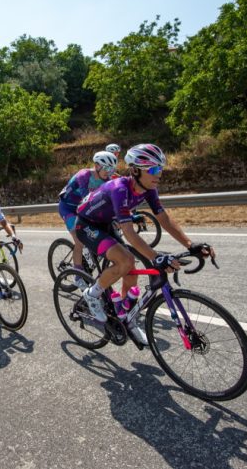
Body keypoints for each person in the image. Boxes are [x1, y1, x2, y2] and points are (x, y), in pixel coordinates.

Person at [75, 143, 215, 345]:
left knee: (131, 269)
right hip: (86, 224)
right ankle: (92, 294)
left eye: (160, 169)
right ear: (135, 171)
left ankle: (126, 317)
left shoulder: (149, 188)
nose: (159, 174)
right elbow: (129, 232)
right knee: (125, 260)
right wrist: (156, 257)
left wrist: (190, 245)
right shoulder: (119, 188)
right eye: (153, 170)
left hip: (105, 223)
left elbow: (163, 218)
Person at [58, 151, 118, 289]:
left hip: (83, 207)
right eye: (107, 168)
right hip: (68, 208)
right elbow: (88, 199)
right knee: (79, 240)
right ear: (96, 166)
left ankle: (90, 259)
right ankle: (78, 276)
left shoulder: (107, 180)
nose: (109, 172)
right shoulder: (84, 175)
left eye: (112, 169)